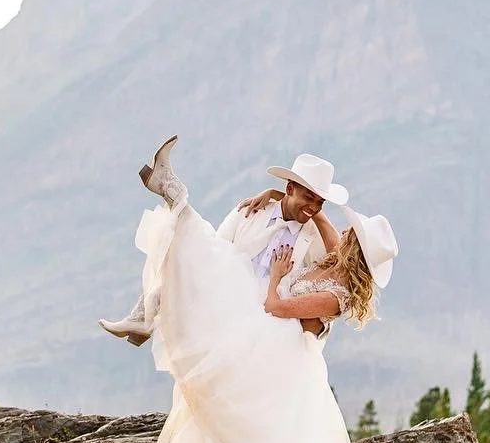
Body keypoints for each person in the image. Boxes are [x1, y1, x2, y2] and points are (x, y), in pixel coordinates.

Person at [121, 135, 465, 443]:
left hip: (272, 343)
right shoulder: (332, 261)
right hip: (265, 336)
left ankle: (172, 209)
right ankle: (151, 297)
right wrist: (276, 197)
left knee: (233, 411)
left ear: (354, 249)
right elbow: (324, 230)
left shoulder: (336, 290)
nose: (341, 229)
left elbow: (279, 306)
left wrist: (277, 275)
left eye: (352, 234)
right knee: (207, 271)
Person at [98, 144, 347, 344]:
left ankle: (170, 188)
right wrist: (276, 196)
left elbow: (341, 262)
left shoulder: (312, 236)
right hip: (222, 296)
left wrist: (315, 213)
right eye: (309, 197)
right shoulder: (250, 211)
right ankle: (144, 313)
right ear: (290, 188)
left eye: (320, 202)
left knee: (195, 245)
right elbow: (213, 248)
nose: (314, 206)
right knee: (189, 248)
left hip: (263, 320)